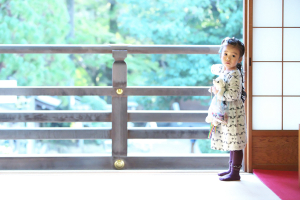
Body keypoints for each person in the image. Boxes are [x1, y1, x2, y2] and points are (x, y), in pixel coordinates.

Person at [209, 37, 247, 181]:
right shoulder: (225, 71)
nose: (228, 58)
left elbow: (233, 95)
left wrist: (219, 92)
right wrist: (216, 88)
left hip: (234, 114)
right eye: (225, 54)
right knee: (232, 142)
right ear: (220, 55)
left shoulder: (235, 75)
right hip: (227, 113)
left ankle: (235, 172)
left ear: (239, 59)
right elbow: (214, 69)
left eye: (233, 55)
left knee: (236, 143)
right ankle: (231, 169)